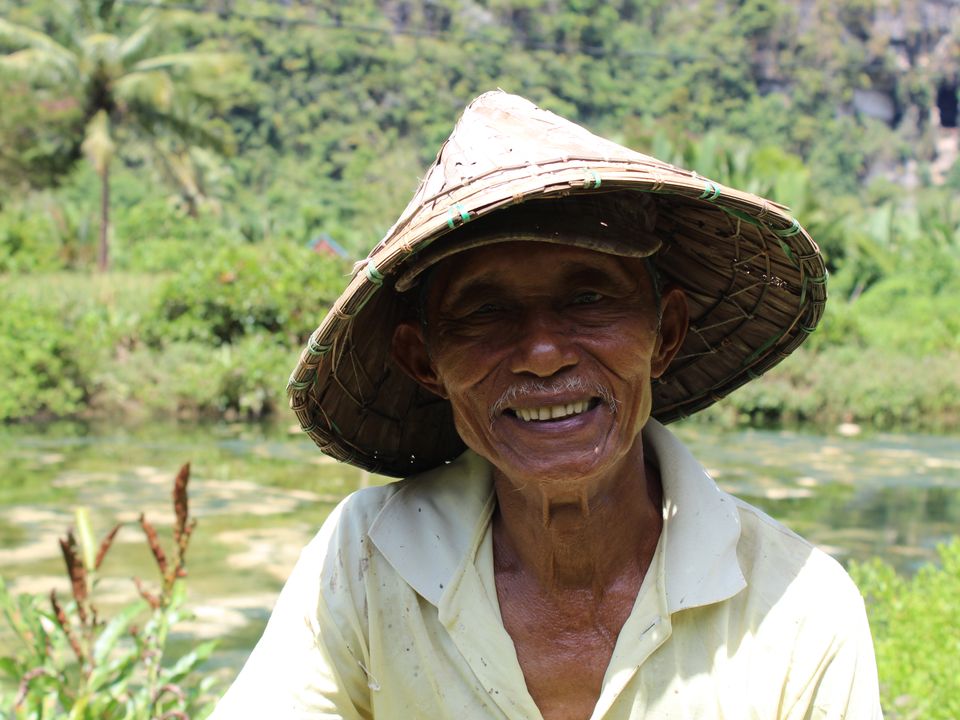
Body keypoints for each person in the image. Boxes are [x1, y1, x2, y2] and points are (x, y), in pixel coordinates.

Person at [211, 91, 881, 719]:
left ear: (665, 336)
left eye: (589, 299)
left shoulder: (799, 607)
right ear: (425, 363)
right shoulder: (366, 561)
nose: (542, 353)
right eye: (485, 310)